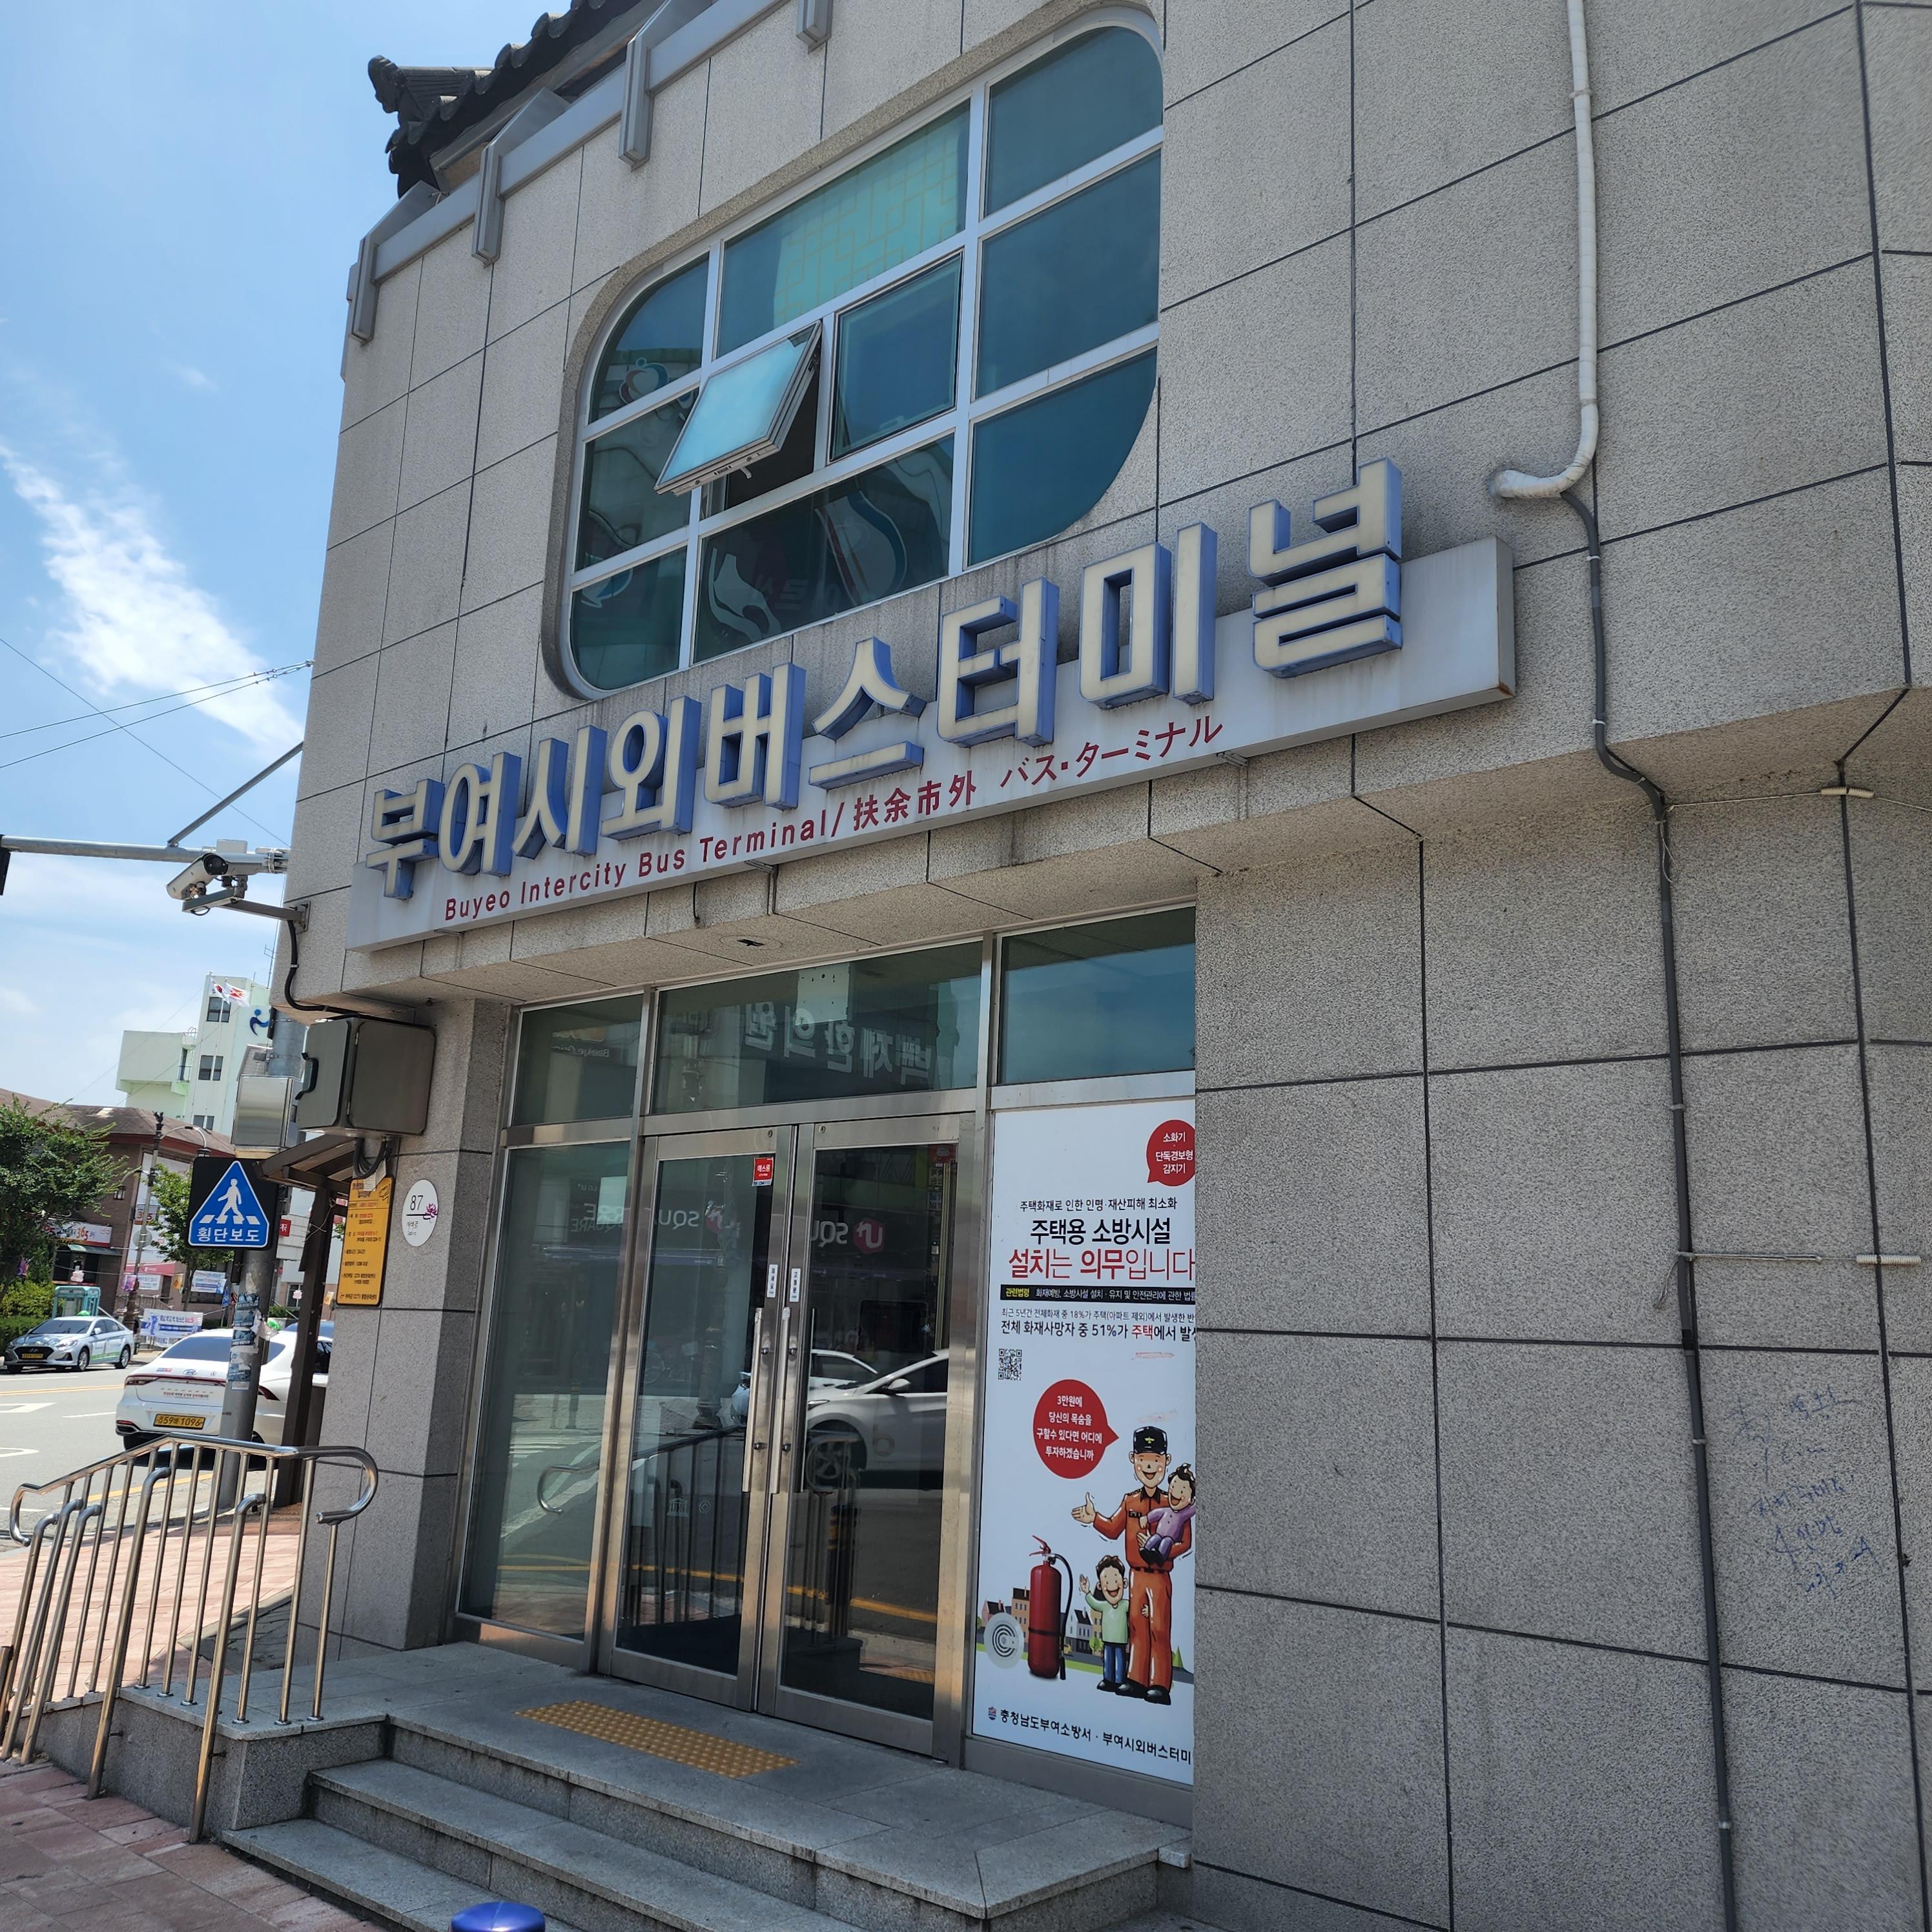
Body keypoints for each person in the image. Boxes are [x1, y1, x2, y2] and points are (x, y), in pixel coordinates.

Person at [1071, 1424, 1193, 1705]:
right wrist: (1094, 1518)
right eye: (1143, 1460)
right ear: (1133, 1460)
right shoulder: (1130, 1501)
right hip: (1136, 1576)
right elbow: (1114, 1529)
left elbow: (1185, 1543)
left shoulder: (1174, 1502)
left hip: (1159, 1576)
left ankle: (1159, 1684)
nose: (1149, 1467)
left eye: (1155, 1460)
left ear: (1166, 1461)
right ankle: (1136, 1679)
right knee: (1136, 1627)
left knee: (1159, 1629)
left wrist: (1162, 1552)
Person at [1080, 1557, 1131, 1692]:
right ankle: (1108, 1680)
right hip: (1108, 1640)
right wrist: (1087, 1592)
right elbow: (1094, 1603)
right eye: (1107, 1582)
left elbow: (1136, 1609)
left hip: (1120, 1640)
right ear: (1100, 1586)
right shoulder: (1104, 1605)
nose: (1112, 1586)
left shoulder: (1125, 1604)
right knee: (1108, 1660)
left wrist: (1147, 1609)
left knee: (1120, 1661)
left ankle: (1120, 1681)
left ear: (1124, 1583)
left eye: (1116, 1581)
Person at [1140, 1464, 1196, 1561]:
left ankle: (1160, 1556)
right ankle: (1146, 1550)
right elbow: (1156, 1514)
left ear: (1191, 1500)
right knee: (1155, 1538)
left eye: (1182, 1491)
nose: (1176, 1493)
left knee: (1166, 1542)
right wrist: (1147, 1518)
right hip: (1158, 1534)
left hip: (1170, 1539)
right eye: (1173, 1486)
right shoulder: (1166, 1510)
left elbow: (1185, 1545)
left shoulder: (1184, 1516)